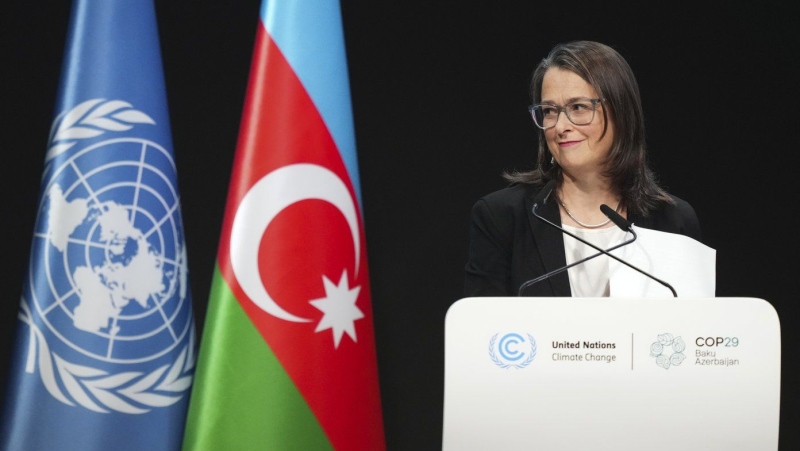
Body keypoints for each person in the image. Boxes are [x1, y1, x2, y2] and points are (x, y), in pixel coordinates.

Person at [464, 40, 701, 297]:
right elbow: (480, 332)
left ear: (621, 112)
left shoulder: (672, 221)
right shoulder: (503, 217)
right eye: (549, 111)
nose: (560, 126)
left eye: (578, 107)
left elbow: (694, 331)